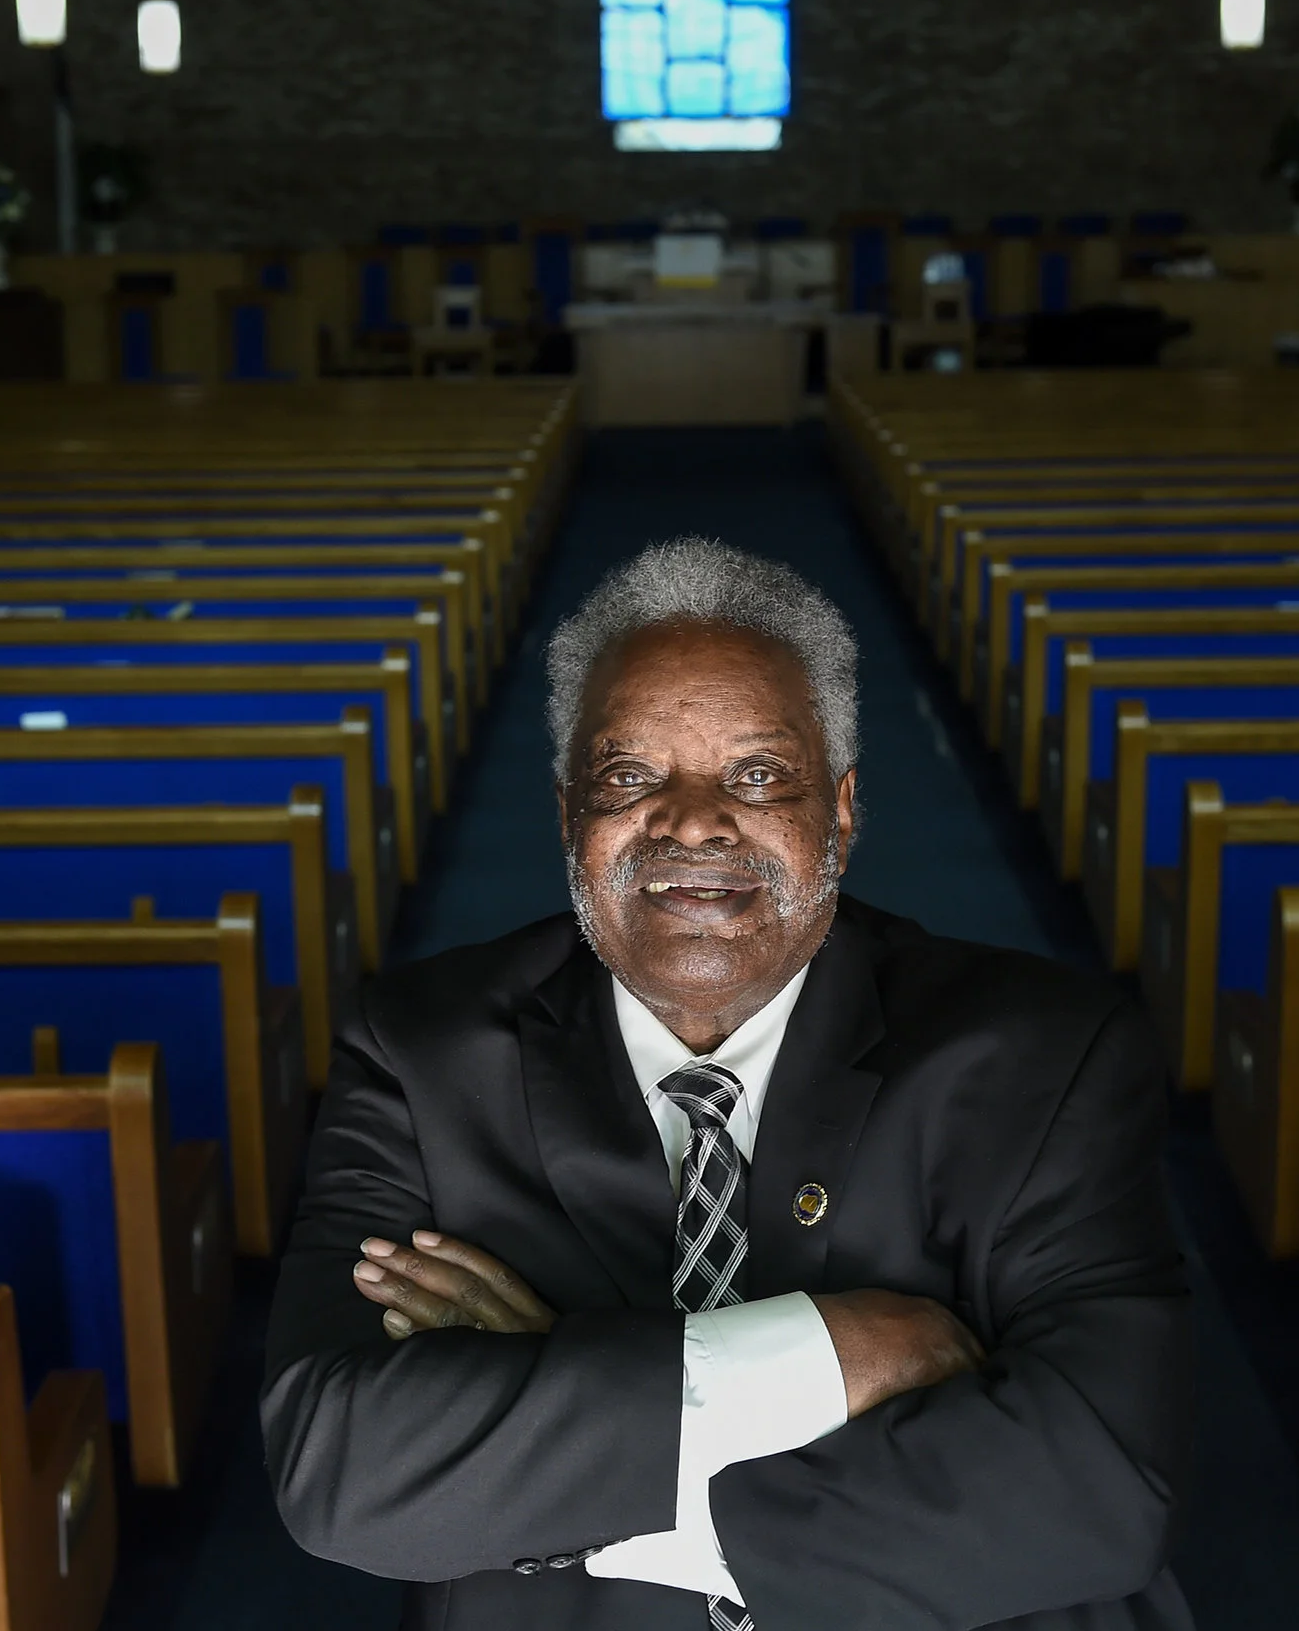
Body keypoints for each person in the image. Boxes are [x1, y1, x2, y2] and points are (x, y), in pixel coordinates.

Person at [262, 537, 1192, 1629]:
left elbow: (1095, 1490)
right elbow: (343, 1468)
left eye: (758, 775)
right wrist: (828, 1353)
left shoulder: (1046, 1050)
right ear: (569, 814)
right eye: (628, 775)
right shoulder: (419, 1048)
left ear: (839, 812)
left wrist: (551, 1448)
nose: (693, 818)